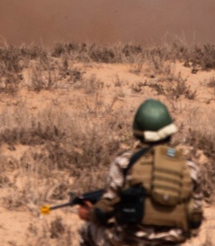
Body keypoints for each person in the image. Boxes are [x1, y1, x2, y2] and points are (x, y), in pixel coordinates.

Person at [78, 99, 204, 246]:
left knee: (87, 230)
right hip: (172, 240)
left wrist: (90, 213)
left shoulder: (124, 162)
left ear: (138, 133)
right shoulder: (189, 166)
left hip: (131, 239)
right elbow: (195, 218)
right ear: (170, 132)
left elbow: (106, 208)